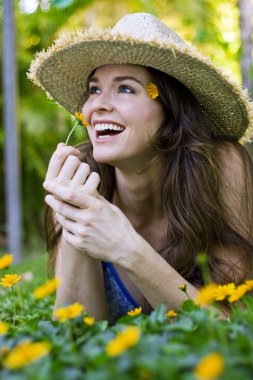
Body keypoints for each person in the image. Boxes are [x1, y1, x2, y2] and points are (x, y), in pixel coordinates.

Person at [28, 12, 253, 324]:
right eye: (94, 89)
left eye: (125, 88)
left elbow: (236, 326)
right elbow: (75, 337)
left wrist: (127, 248)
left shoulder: (220, 167)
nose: (97, 106)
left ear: (170, 110)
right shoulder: (75, 178)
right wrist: (74, 218)